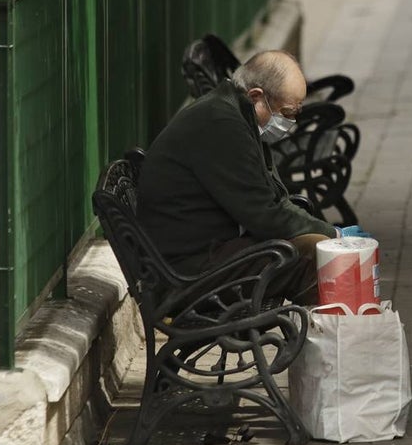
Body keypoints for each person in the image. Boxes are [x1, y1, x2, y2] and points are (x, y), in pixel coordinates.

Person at [138, 50, 366, 305]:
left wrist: (325, 233)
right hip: (188, 270)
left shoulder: (235, 114)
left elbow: (272, 200)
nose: (290, 122)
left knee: (315, 247)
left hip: (203, 251)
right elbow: (265, 214)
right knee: (315, 255)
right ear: (257, 96)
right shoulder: (222, 124)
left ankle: (329, 331)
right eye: (287, 112)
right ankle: (330, 335)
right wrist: (334, 236)